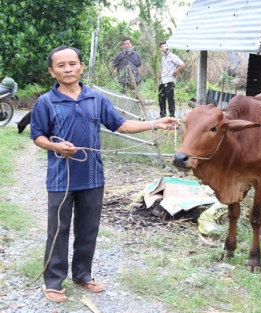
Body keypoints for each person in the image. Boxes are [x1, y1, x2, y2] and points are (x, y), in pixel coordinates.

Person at [30, 46, 179, 302]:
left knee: (88, 229)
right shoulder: (46, 102)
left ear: (81, 67)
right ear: (51, 71)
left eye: (72, 63)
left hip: (92, 177)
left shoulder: (96, 99)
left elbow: (121, 125)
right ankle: (53, 281)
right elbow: (37, 136)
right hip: (60, 180)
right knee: (59, 229)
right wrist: (55, 146)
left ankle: (82, 275)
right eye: (61, 65)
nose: (68, 69)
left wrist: (155, 123)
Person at [158, 41, 185, 118]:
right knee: (161, 98)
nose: (162, 48)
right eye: (161, 47)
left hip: (170, 80)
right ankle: (162, 115)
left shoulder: (172, 56)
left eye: (164, 46)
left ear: (167, 47)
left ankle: (172, 116)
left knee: (170, 99)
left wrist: (176, 71)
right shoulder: (163, 58)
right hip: (163, 80)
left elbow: (182, 64)